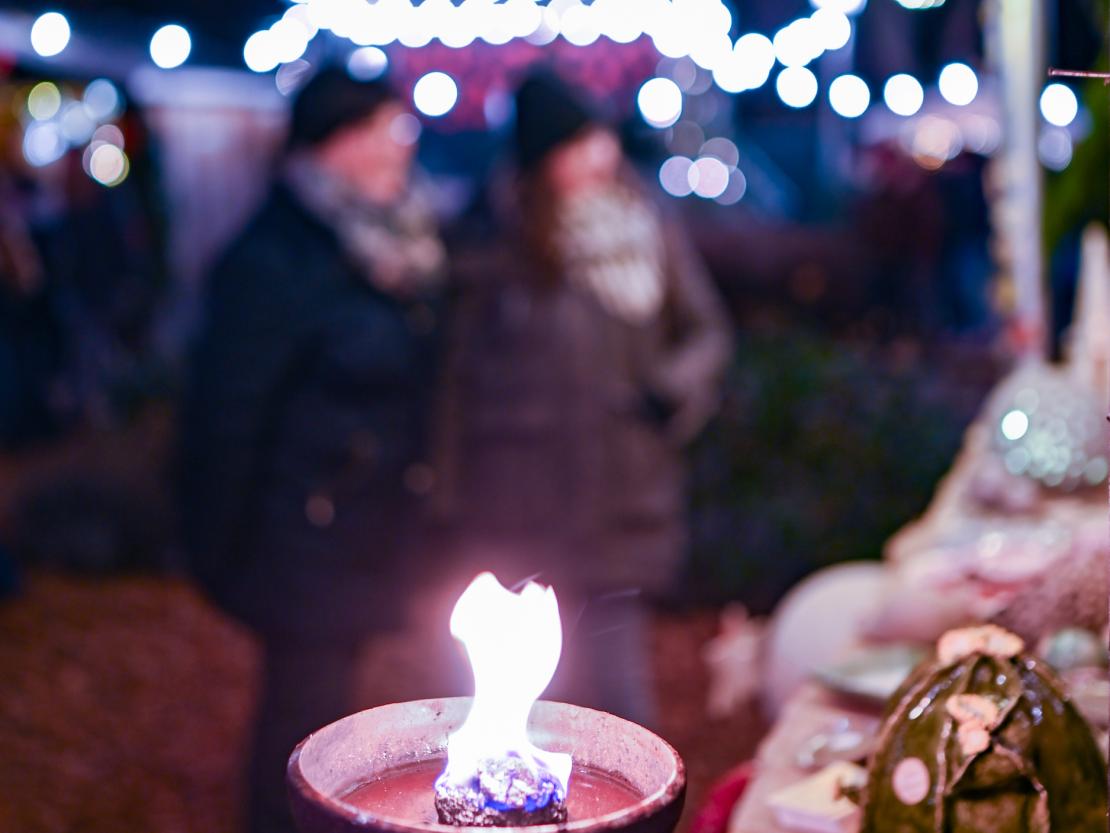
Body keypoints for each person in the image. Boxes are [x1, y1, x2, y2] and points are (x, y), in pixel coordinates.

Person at [180, 68, 444, 833]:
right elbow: (228, 415)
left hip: (357, 528)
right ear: (338, 142)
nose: (403, 148)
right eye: (389, 131)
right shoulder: (278, 257)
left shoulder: (387, 241)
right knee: (302, 726)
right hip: (303, 532)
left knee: (325, 713)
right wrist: (220, 546)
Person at [432, 71, 732, 727]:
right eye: (576, 145)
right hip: (516, 505)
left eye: (600, 139)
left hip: (619, 498)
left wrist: (672, 390)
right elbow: (452, 380)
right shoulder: (491, 240)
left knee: (619, 705)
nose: (599, 157)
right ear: (541, 159)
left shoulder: (644, 223)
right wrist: (446, 493)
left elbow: (705, 331)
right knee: (515, 704)